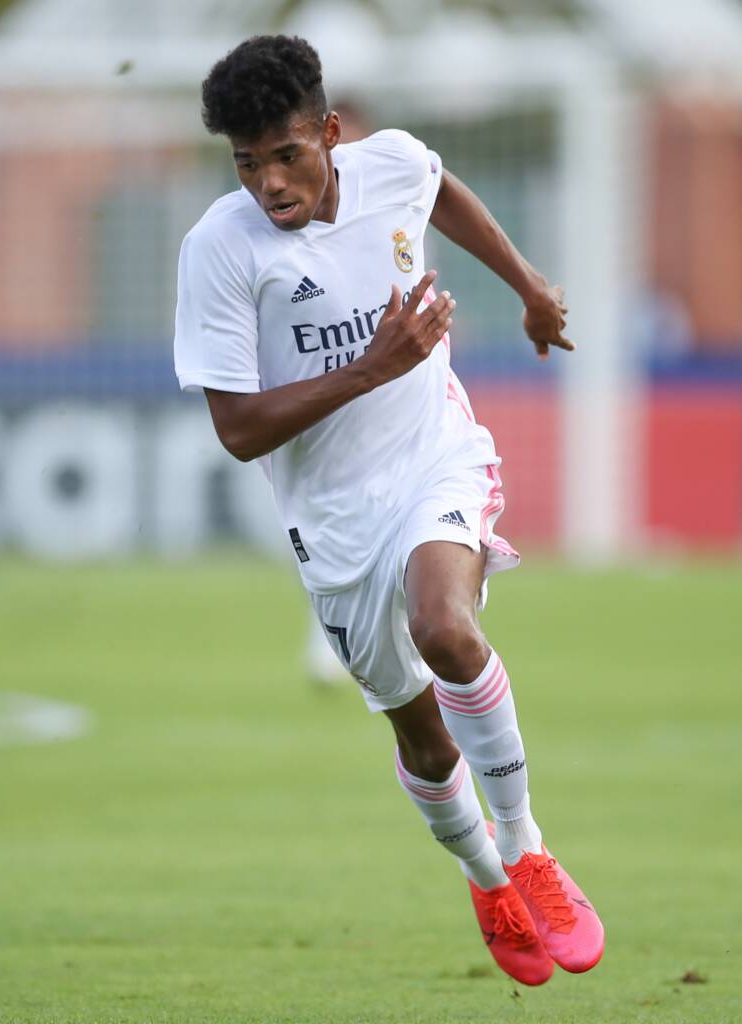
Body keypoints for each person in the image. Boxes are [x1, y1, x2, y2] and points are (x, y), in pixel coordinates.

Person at [173, 35, 603, 985]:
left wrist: (530, 290)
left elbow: (440, 187)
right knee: (421, 733)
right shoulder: (220, 251)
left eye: (287, 154)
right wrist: (371, 366)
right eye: (248, 164)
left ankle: (529, 850)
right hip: (330, 521)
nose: (271, 184)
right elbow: (239, 430)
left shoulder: (393, 162)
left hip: (432, 458)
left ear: (330, 133)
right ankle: (487, 878)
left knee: (444, 627)